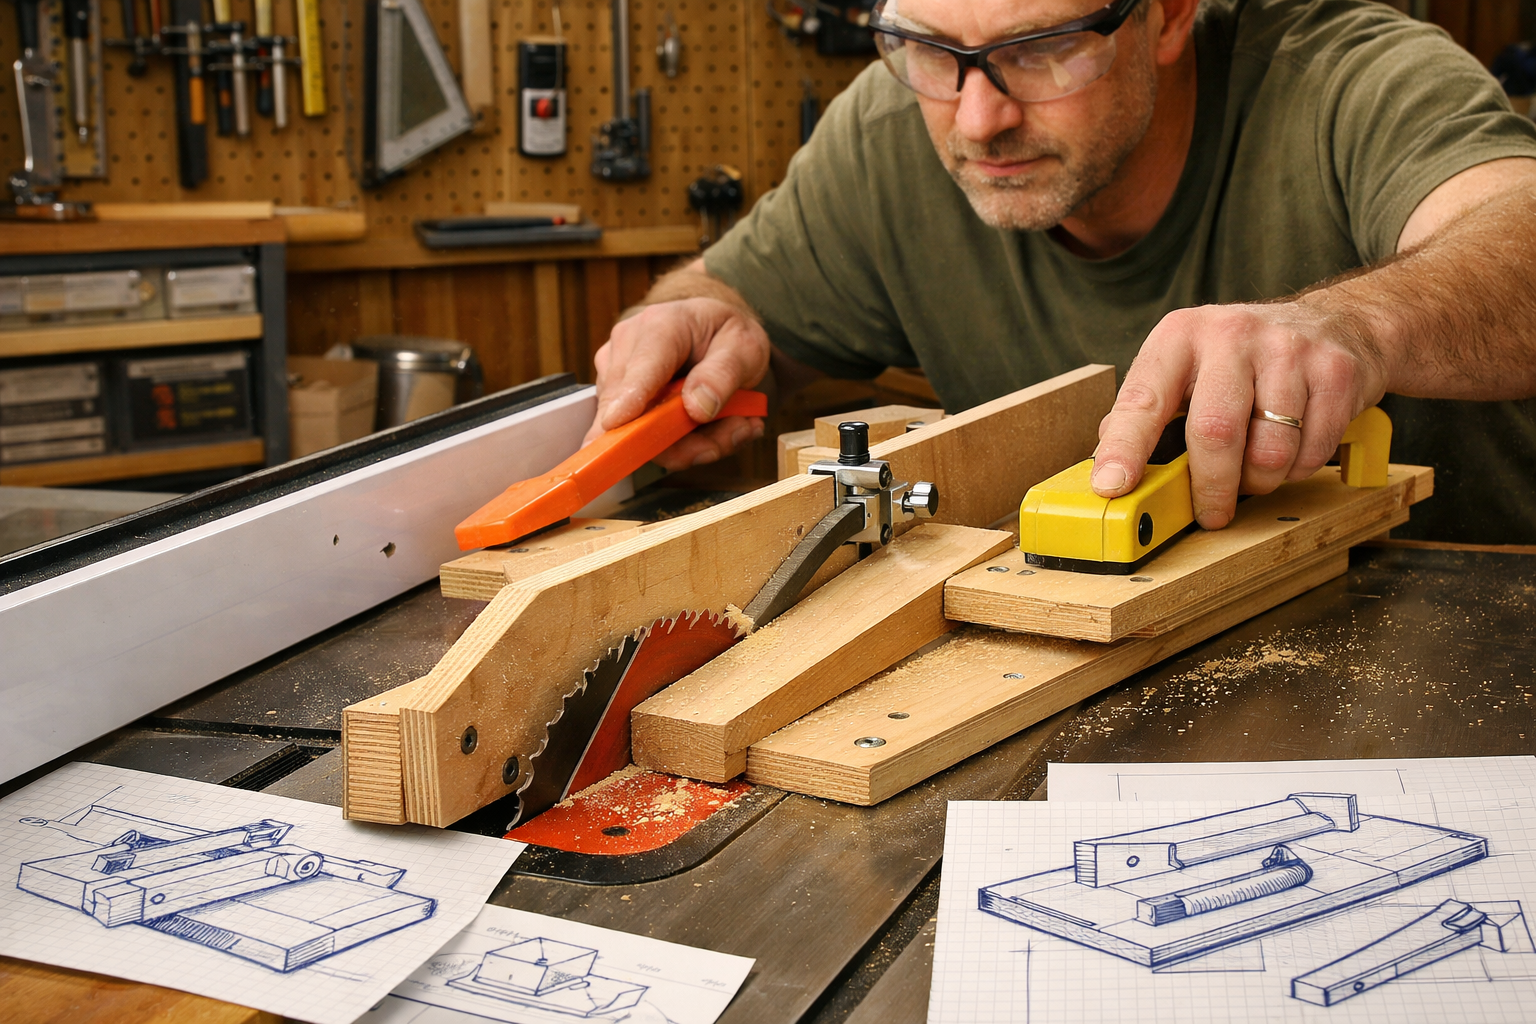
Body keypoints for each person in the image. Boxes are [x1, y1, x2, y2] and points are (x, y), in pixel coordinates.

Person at [586, 0, 1536, 542]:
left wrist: (1359, 327)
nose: (978, 120)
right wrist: (697, 318)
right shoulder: (888, 127)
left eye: (1039, 51)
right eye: (930, 50)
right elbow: (730, 300)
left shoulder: (1347, 77)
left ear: (1167, 15)